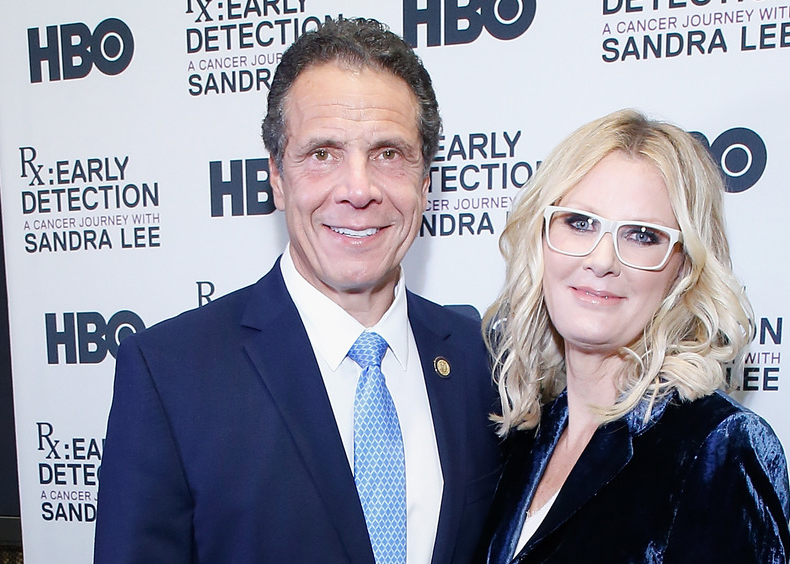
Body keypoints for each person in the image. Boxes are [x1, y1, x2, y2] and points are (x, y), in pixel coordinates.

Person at [93, 18, 501, 564]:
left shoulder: (482, 361)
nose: (359, 189)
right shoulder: (169, 374)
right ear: (277, 179)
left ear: (426, 184)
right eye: (323, 154)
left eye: (388, 154)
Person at [476, 109, 790, 563]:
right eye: (580, 222)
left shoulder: (720, 446)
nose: (603, 259)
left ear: (683, 267)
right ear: (541, 239)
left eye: (642, 235)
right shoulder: (526, 431)